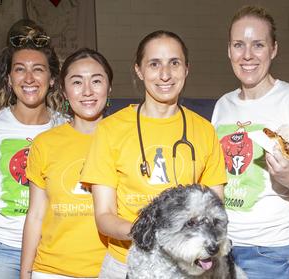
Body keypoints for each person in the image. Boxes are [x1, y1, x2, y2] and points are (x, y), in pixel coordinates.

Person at [80, 30, 227, 279]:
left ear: (186, 68)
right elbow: (104, 216)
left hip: (187, 267)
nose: (165, 74)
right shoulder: (111, 129)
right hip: (124, 263)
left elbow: (215, 207)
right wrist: (150, 233)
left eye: (174, 63)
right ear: (139, 70)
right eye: (154, 64)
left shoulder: (204, 130)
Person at [210, 5, 289, 279]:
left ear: (273, 49)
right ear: (229, 50)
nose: (247, 55)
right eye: (239, 45)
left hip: (272, 253)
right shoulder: (222, 106)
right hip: (222, 248)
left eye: (258, 45)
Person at [0, 20, 65, 279]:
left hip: (50, 247)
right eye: (20, 69)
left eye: (38, 70)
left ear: (52, 79)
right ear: (9, 79)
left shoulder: (66, 129)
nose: (29, 78)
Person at [19, 48, 113, 279]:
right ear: (63, 89)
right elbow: (36, 215)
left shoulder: (126, 138)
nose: (88, 91)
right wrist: (25, 274)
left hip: (112, 270)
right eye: (77, 82)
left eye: (97, 81)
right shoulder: (46, 143)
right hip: (52, 271)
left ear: (109, 87)